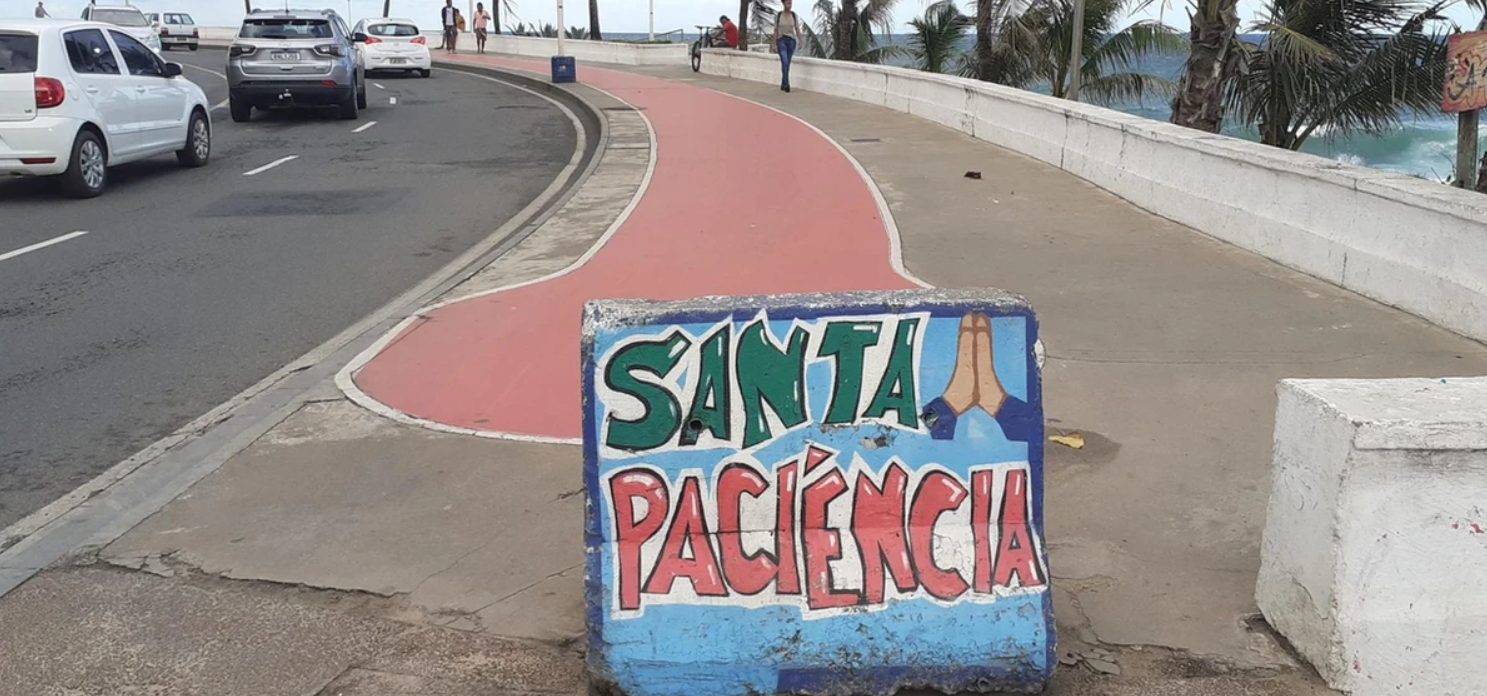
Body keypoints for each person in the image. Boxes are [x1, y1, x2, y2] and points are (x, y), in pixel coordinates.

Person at [773, 0, 799, 92]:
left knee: (787, 62)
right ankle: (787, 84)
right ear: (783, 3)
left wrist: (800, 40)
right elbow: (776, 30)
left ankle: (783, 82)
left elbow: (797, 28)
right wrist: (774, 43)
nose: (789, 5)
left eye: (791, 3)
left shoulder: (793, 15)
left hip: (791, 40)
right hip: (781, 40)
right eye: (788, 3)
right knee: (785, 61)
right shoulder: (779, 15)